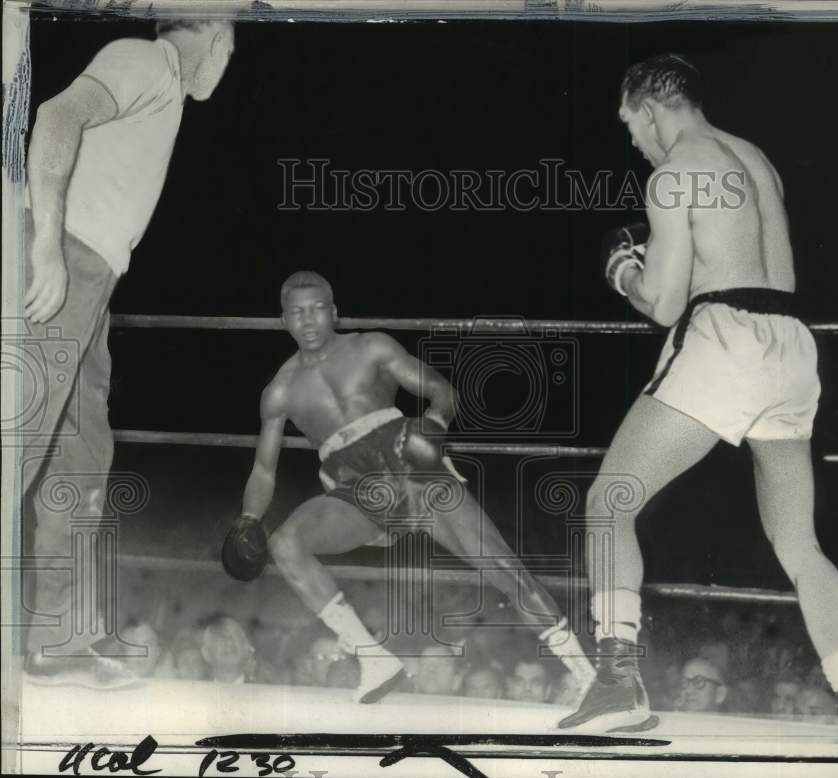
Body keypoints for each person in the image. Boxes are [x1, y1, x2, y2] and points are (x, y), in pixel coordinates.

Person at [560, 54, 838, 744]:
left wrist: (623, 273)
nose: (633, 140)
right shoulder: (756, 158)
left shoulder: (674, 173)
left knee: (607, 502)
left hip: (726, 340)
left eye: (629, 124)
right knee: (799, 540)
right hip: (793, 347)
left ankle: (616, 681)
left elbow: (667, 304)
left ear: (650, 107)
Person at [221, 271, 595, 703]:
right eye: (297, 312)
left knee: (505, 570)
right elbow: (264, 471)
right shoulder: (279, 391)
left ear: (334, 311)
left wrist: (433, 425)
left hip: (414, 469)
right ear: (283, 319)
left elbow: (442, 392)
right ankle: (373, 659)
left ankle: (588, 677)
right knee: (285, 543)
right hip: (354, 491)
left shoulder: (371, 347)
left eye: (317, 309)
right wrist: (248, 518)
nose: (308, 320)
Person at [19, 19, 235, 686]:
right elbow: (58, 116)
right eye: (233, 42)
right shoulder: (145, 59)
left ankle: (58, 637)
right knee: (16, 445)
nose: (227, 63)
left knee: (82, 459)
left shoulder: (162, 87)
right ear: (217, 34)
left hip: (96, 277)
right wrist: (47, 248)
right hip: (67, 260)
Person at [200, 615, 255, 684]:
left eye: (236, 635)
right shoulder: (194, 691)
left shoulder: (265, 691)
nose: (229, 642)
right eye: (220, 636)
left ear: (246, 647)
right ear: (206, 653)